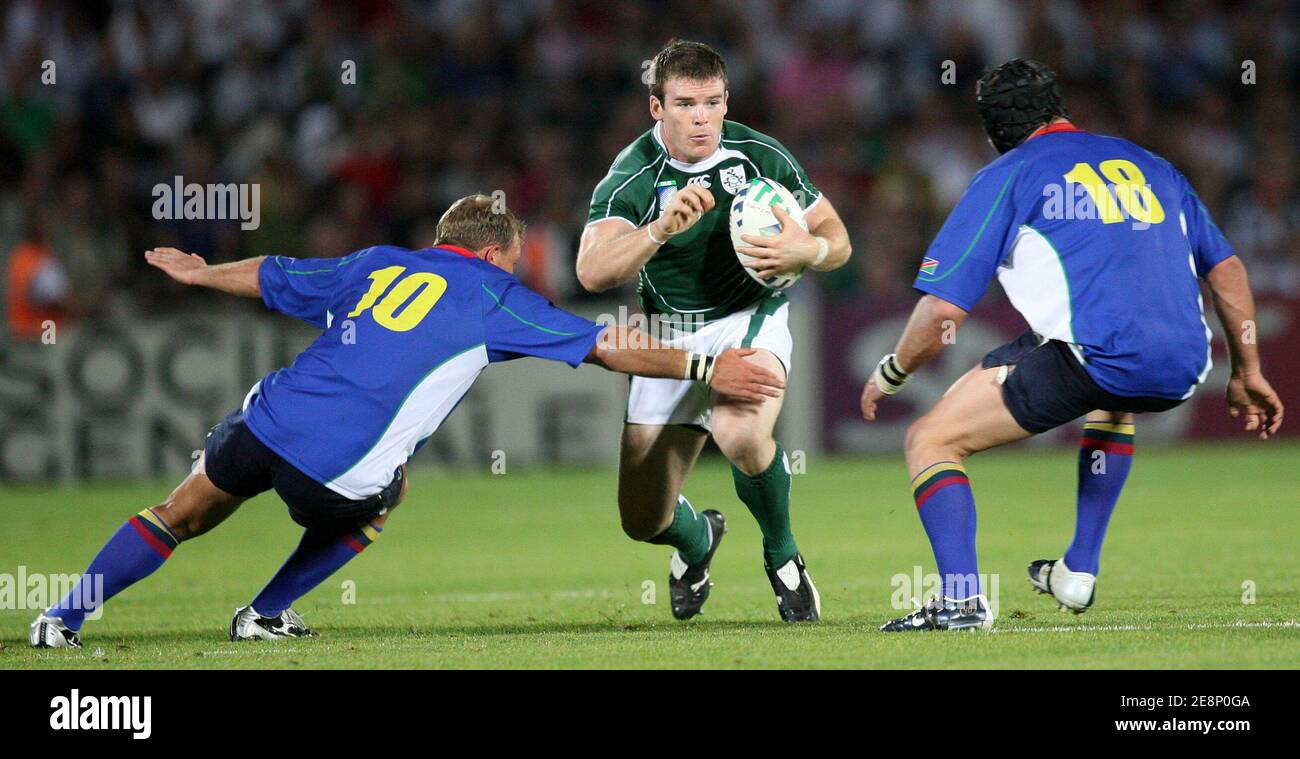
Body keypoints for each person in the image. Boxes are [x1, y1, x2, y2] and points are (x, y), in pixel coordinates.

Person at [29, 194, 783, 648]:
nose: (512, 272)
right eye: (511, 260)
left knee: (180, 512)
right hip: (341, 470)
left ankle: (60, 620)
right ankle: (262, 612)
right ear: (492, 253)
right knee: (390, 494)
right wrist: (704, 366)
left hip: (268, 420)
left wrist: (199, 273)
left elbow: (274, 273)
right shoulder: (494, 293)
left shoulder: (380, 261)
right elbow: (608, 347)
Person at [860, 59, 1284, 632]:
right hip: (1186, 362)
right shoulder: (1150, 165)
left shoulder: (1009, 173)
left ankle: (961, 601)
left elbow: (942, 311)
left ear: (993, 134)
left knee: (931, 438)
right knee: (1111, 397)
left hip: (1098, 355)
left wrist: (892, 372)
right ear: (1059, 109)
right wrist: (1247, 369)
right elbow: (1228, 269)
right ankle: (1077, 569)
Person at [577, 39, 853, 622]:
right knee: (642, 520)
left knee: (740, 434)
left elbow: (838, 239)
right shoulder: (632, 175)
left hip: (749, 317)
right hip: (669, 337)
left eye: (711, 102)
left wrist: (813, 246)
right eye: (684, 104)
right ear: (657, 108)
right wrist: (657, 229)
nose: (700, 117)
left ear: (727, 100)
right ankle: (699, 540)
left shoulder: (759, 153)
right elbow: (592, 271)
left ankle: (781, 555)